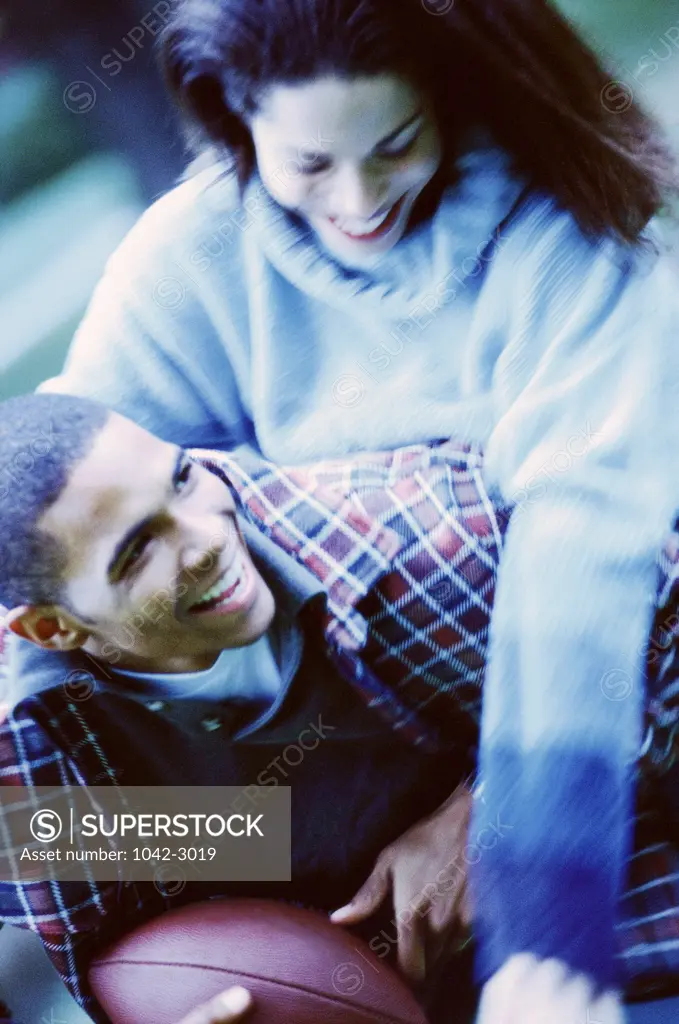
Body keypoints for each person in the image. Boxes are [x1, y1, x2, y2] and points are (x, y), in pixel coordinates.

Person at [18, 0, 679, 1019]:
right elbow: (51, 499)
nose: (359, 200)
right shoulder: (189, 255)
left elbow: (579, 583)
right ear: (236, 119)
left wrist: (519, 874)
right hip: (334, 788)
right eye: (310, 164)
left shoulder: (581, 269)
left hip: (576, 717)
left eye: (394, 144)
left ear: (448, 91)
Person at [4, 395, 679, 1024]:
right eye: (138, 549)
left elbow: (658, 640)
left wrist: (515, 798)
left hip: (631, 958)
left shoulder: (442, 534)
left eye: (182, 478)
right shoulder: (31, 780)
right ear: (52, 630)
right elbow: (233, 847)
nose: (205, 537)